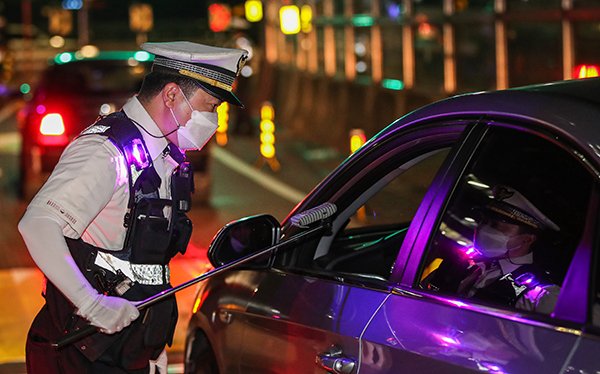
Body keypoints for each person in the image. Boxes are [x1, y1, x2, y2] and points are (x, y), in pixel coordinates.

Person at [18, 41, 248, 374]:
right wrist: (91, 303)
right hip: (83, 350)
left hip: (127, 349)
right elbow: (38, 223)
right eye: (208, 106)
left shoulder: (163, 155)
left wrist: (150, 349)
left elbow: (147, 265)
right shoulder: (105, 150)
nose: (212, 120)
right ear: (171, 95)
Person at [425, 185, 561, 314]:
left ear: (527, 239)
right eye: (483, 220)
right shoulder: (460, 262)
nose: (483, 228)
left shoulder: (542, 295)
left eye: (495, 224)